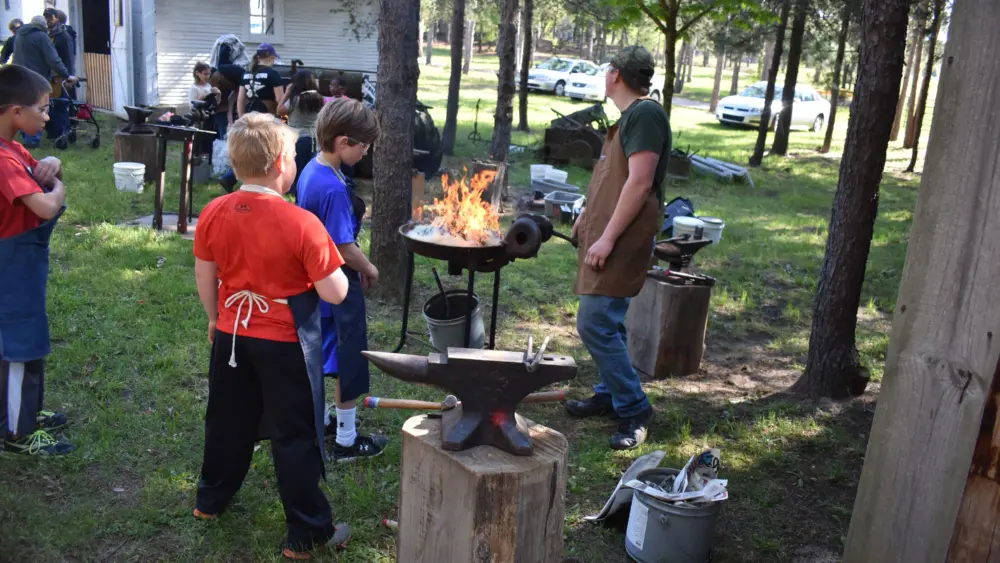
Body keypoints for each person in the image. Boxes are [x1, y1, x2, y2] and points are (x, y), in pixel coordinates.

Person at [192, 112, 353, 559]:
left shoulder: (213, 211)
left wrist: (214, 317)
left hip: (231, 336)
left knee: (226, 421)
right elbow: (335, 293)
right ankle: (307, 533)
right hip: (285, 345)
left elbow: (206, 275)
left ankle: (210, 501)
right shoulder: (301, 223)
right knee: (294, 433)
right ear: (283, 162)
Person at [563, 46, 671, 451]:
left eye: (609, 67)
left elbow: (639, 182)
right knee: (611, 320)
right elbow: (612, 180)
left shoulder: (645, 114)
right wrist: (587, 218)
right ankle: (609, 393)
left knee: (594, 321)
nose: (605, 73)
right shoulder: (628, 118)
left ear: (617, 75)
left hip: (623, 237)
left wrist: (607, 238)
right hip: (607, 230)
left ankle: (634, 406)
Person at [297, 99, 386, 462]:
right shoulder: (332, 189)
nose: (366, 152)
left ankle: (321, 423)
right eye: (363, 145)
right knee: (349, 358)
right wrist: (369, 268)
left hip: (314, 283)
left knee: (320, 355)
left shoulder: (313, 169)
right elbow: (344, 246)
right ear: (344, 141)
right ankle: (347, 441)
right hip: (337, 281)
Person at [0, 64, 73, 456]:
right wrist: (58, 184)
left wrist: (53, 165)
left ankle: (27, 411)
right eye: (42, 109)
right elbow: (45, 205)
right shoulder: (2, 160)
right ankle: (16, 432)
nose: (47, 116)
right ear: (15, 111)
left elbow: (41, 170)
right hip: (9, 268)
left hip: (23, 265)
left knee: (30, 338)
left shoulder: (14, 149)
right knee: (18, 345)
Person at [12, 16, 75, 148]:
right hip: (36, 80)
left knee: (24, 107)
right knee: (38, 108)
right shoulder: (41, 36)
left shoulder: (20, 35)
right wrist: (66, 75)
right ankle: (32, 141)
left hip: (19, 78)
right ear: (43, 26)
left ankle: (27, 136)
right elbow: (53, 59)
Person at [277, 70, 324, 196]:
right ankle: (307, 192)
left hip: (297, 138)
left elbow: (279, 111)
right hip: (314, 139)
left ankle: (294, 192)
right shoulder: (319, 99)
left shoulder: (295, 100)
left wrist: (286, 94)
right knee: (309, 168)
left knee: (295, 167)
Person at [237, 43, 284, 118]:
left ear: (258, 57)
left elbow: (240, 99)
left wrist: (241, 118)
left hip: (249, 114)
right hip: (267, 115)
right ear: (271, 57)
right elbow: (280, 100)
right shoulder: (273, 74)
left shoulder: (245, 74)